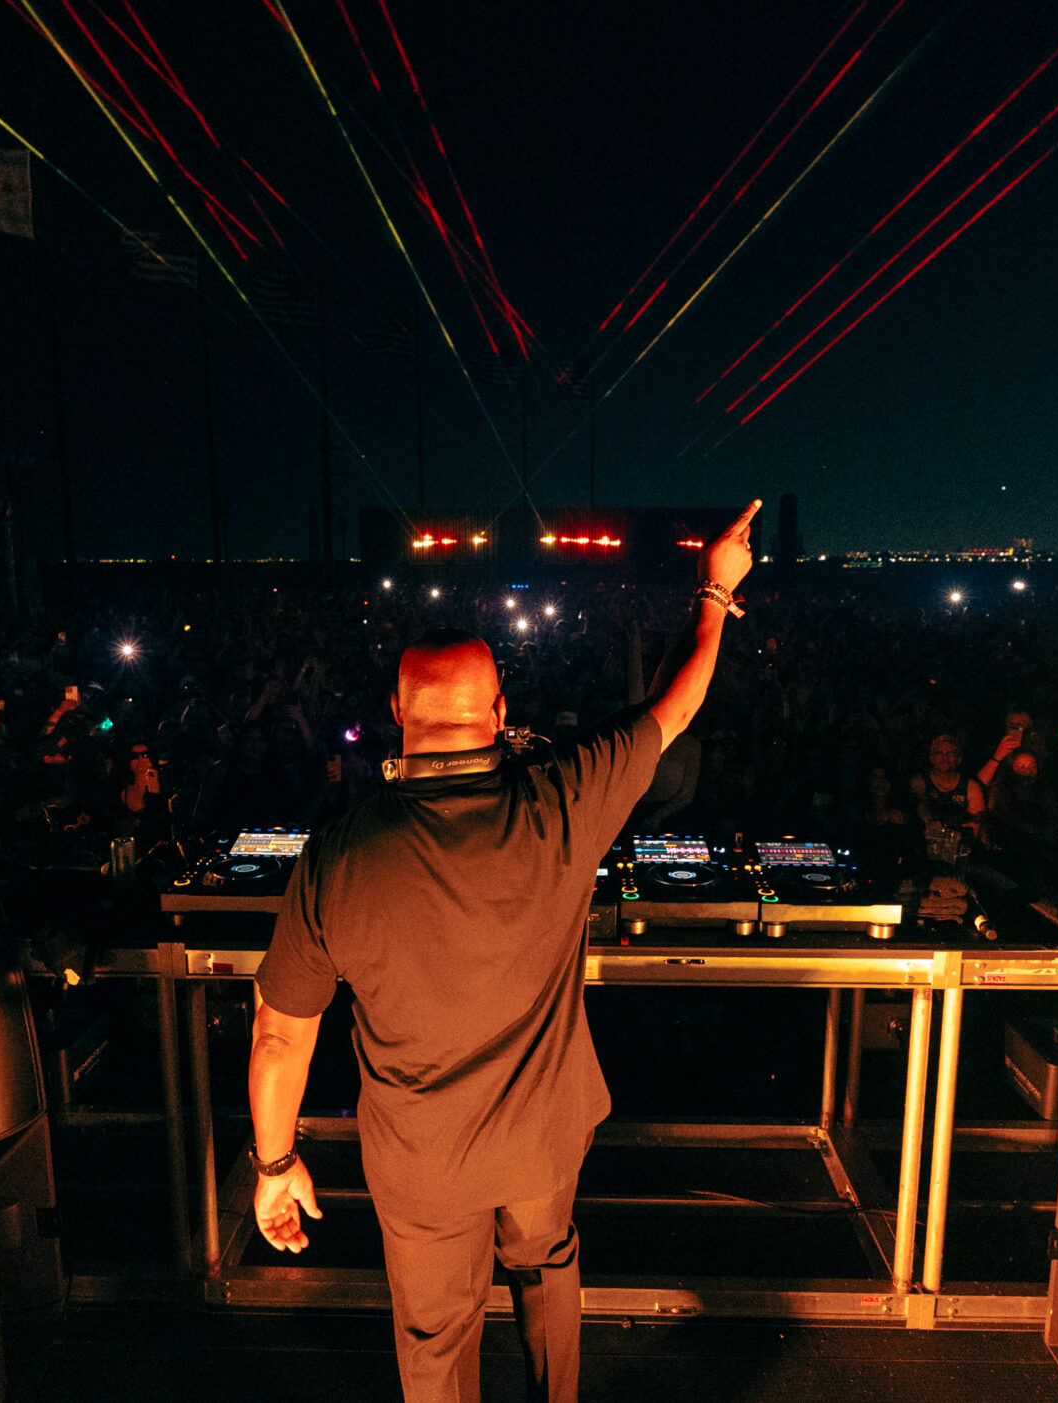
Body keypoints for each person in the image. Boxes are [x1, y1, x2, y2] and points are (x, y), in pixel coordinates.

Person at [245, 499, 762, 1403]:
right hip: (541, 1141)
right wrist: (714, 591)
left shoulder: (338, 854)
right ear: (499, 710)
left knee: (435, 1335)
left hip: (422, 1163)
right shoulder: (564, 798)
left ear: (398, 711)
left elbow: (281, 1034)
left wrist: (276, 1165)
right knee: (545, 1264)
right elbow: (674, 707)